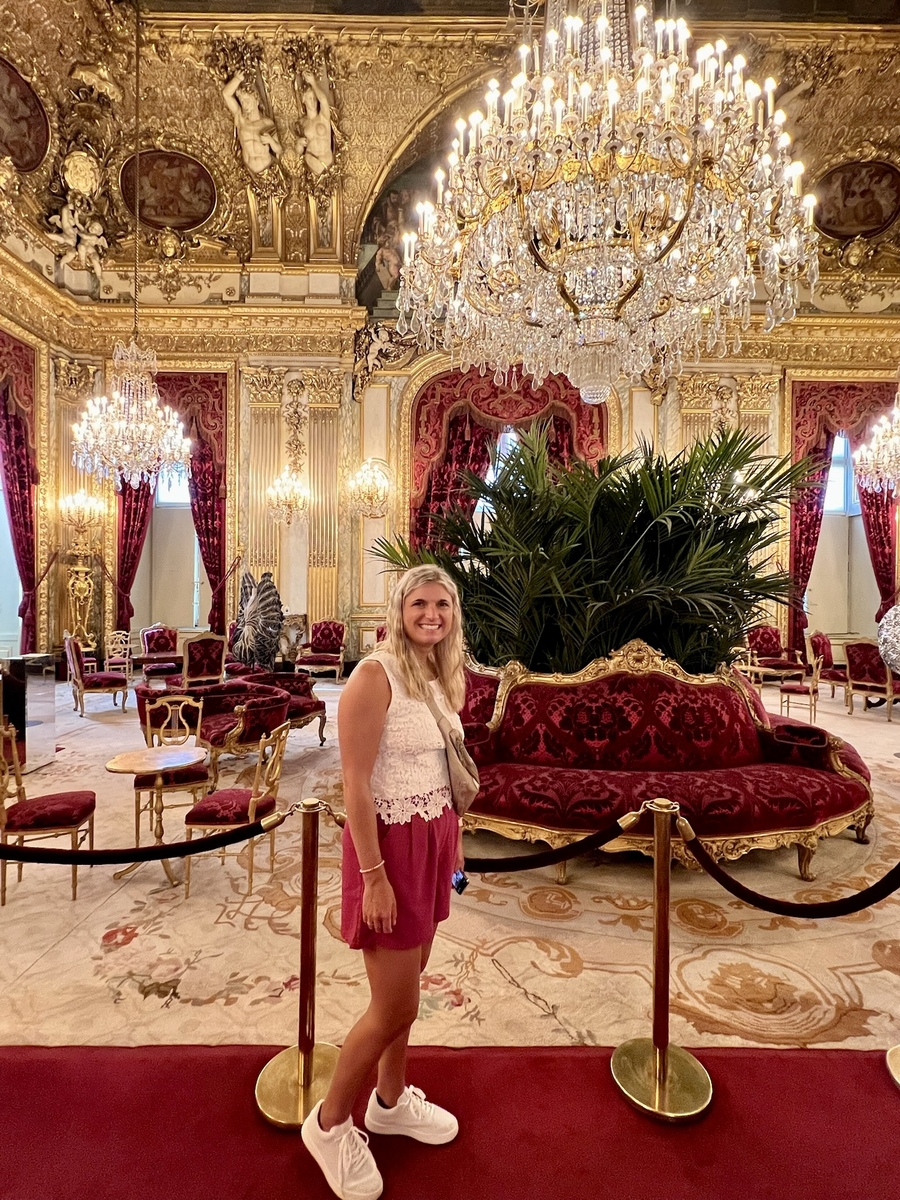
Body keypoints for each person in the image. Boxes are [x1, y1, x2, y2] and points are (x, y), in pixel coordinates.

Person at [301, 564, 466, 1200]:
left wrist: (456, 849)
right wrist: (373, 876)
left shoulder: (440, 672)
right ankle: (330, 1123)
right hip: (389, 849)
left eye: (442, 604)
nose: (431, 614)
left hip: (432, 840)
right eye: (419, 603)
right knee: (395, 1002)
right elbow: (357, 784)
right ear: (399, 609)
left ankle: (391, 1101)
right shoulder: (374, 676)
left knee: (411, 985)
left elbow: (447, 770)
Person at [222, 70, 282, 175]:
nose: (245, 105)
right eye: (242, 102)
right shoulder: (241, 118)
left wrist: (270, 141)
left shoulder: (267, 123)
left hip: (267, 172)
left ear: (256, 100)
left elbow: (279, 150)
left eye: (247, 101)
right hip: (248, 173)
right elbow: (226, 94)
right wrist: (237, 79)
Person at [297, 70, 335, 176]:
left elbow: (323, 100)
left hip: (326, 163)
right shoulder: (302, 123)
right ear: (303, 99)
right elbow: (299, 152)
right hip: (311, 164)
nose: (313, 101)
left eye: (314, 98)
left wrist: (314, 83)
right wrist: (299, 143)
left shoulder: (323, 117)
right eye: (309, 98)